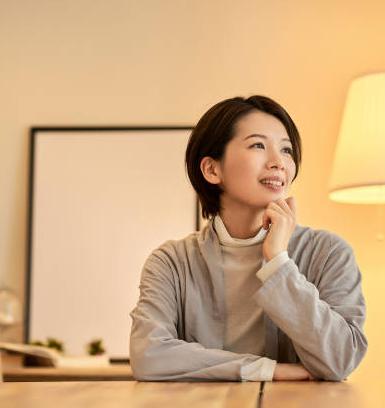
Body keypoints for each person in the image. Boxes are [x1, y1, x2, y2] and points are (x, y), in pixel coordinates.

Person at [129, 95, 368, 382]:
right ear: (212, 169)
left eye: (287, 149)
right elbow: (149, 356)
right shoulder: (171, 263)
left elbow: (341, 358)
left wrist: (278, 262)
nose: (279, 162)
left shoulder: (329, 253)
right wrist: (265, 370)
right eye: (258, 145)